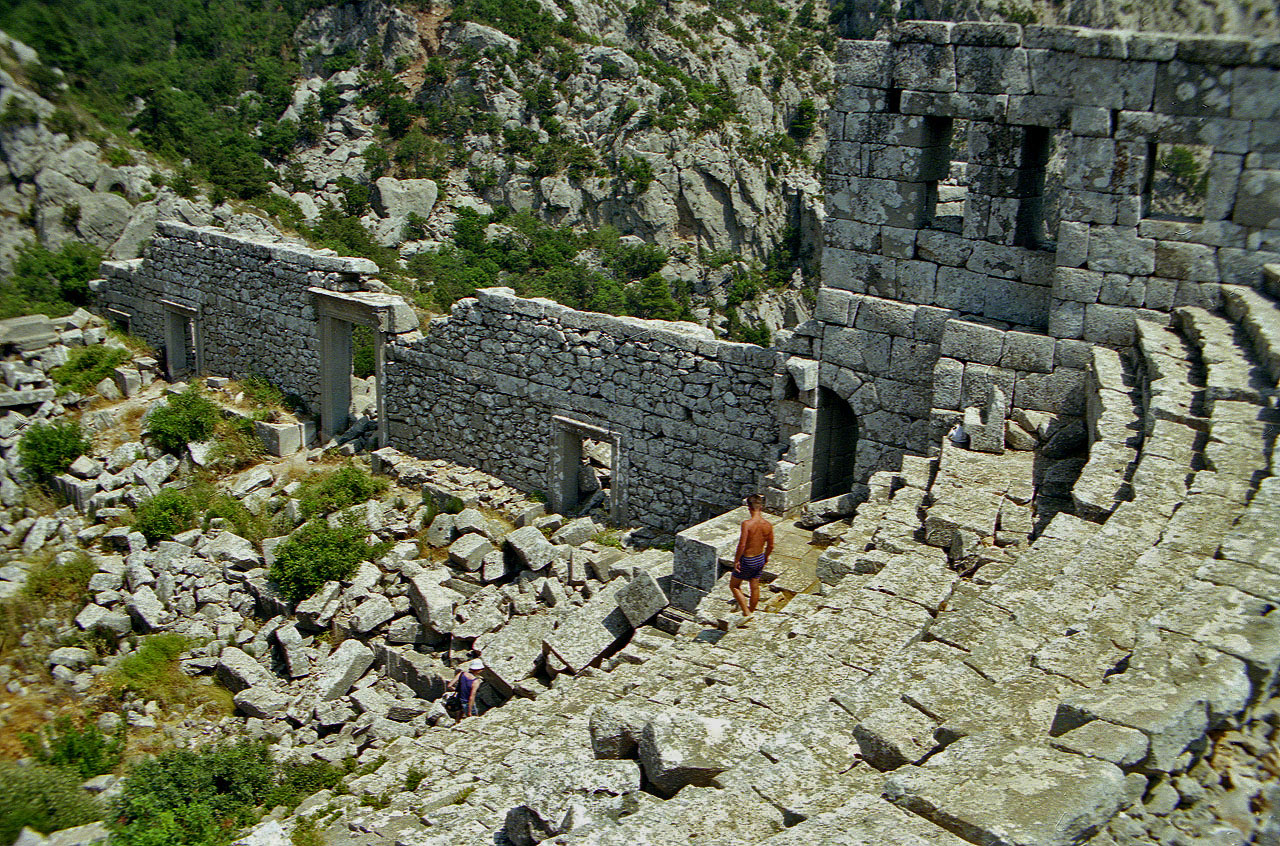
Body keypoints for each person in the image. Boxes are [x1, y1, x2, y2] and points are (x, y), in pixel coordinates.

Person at [731, 494, 774, 622]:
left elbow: (742, 544)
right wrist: (765, 557)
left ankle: (746, 612)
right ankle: (752, 610)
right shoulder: (768, 525)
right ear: (761, 507)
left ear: (749, 508)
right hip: (760, 558)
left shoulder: (747, 524)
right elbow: (770, 545)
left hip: (747, 559)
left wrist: (737, 560)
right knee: (754, 586)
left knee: (734, 586)